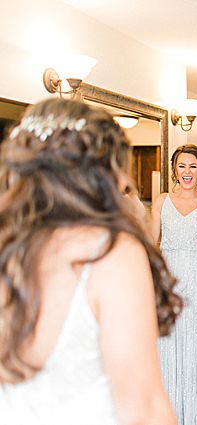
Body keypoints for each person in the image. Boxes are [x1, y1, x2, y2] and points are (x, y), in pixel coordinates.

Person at [0, 98, 180, 424]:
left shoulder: (8, 246)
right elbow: (144, 408)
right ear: (99, 174)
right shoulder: (108, 252)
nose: (125, 182)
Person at [149, 144, 197, 425]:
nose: (187, 172)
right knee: (168, 341)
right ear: (174, 170)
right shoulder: (162, 201)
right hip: (169, 276)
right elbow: (151, 243)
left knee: (196, 342)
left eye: (193, 166)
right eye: (182, 166)